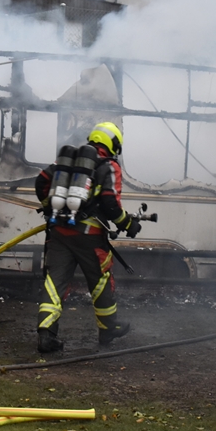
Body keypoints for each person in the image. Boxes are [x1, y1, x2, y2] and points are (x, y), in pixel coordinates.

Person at [33, 121, 141, 353]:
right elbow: (111, 204)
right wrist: (128, 224)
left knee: (54, 283)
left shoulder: (68, 162)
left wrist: (49, 208)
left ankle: (46, 333)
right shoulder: (109, 165)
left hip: (59, 233)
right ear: (113, 144)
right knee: (100, 282)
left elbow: (41, 181)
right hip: (89, 237)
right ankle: (108, 328)